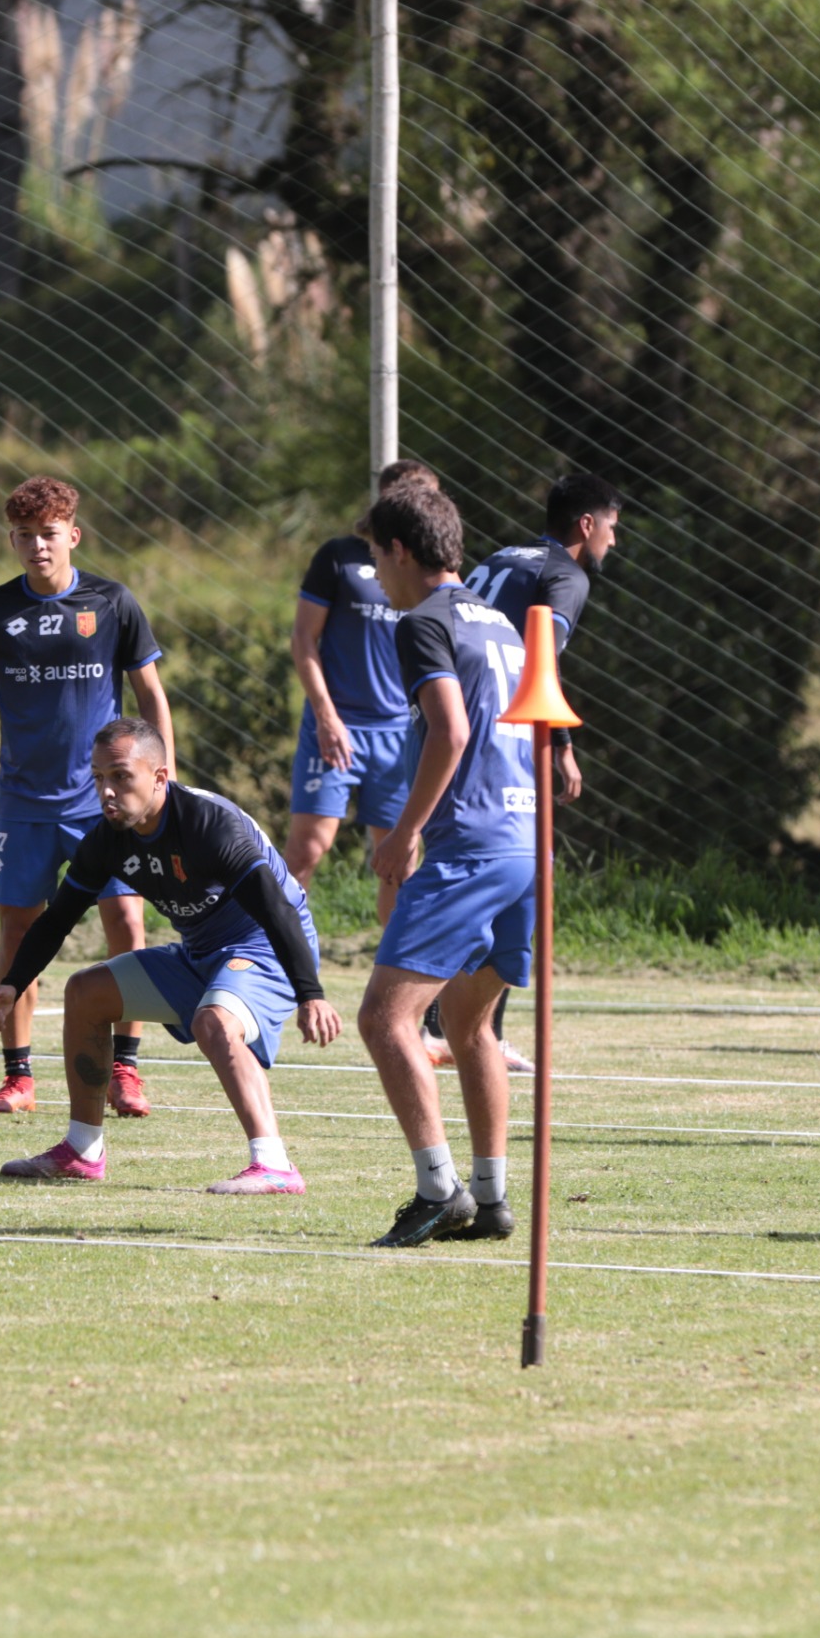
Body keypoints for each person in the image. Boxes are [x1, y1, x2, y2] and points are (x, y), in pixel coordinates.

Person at [0, 718, 340, 1191]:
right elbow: (57, 918)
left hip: (263, 947)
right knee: (86, 992)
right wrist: (13, 982)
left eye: (121, 776)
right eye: (98, 778)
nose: (106, 791)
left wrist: (310, 993)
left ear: (158, 777)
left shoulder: (208, 824)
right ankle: (82, 1151)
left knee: (213, 1022)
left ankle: (274, 1163)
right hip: (200, 953)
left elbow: (276, 908)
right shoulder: (109, 838)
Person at [0, 476, 175, 1117]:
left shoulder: (112, 603)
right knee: (19, 930)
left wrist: (160, 775)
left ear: (73, 536)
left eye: (49, 535)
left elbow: (150, 696)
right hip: (26, 801)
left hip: (105, 802)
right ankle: (18, 1078)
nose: (38, 547)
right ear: (12, 539)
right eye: (26, 536)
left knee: (127, 922)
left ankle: (126, 1071)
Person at [354, 484, 538, 1247]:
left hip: (472, 845)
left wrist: (404, 832)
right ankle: (492, 1198)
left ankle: (440, 1190)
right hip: (530, 845)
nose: (375, 575)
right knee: (470, 1025)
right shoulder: (500, 623)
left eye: (374, 557)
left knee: (384, 1019)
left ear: (400, 550)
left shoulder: (422, 622)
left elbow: (451, 733)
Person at [446, 470, 622, 1073]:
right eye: (612, 528)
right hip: (504, 732)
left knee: (478, 860)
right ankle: (463, 1028)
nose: (613, 543)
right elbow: (535, 663)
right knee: (519, 868)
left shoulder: (504, 557)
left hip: (455, 716)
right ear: (587, 524)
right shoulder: (566, 575)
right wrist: (561, 744)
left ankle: (464, 1025)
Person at [283, 458, 434, 915]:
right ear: (385, 499)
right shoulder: (340, 556)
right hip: (337, 727)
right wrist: (327, 718)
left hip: (398, 732)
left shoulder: (430, 569)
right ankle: (273, 961)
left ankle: (391, 972)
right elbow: (303, 638)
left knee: (398, 860)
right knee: (308, 849)